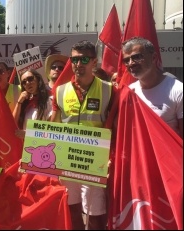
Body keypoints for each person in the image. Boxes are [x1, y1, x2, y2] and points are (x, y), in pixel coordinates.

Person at [50, 40, 113, 230]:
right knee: (72, 207)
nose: (78, 64)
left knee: (95, 211)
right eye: (74, 59)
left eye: (84, 59)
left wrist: (111, 156)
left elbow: (114, 126)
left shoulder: (108, 89)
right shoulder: (59, 91)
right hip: (67, 159)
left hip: (94, 160)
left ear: (94, 62)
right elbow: (54, 125)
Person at [122, 36, 183, 138]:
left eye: (136, 57)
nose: (131, 63)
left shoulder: (178, 90)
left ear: (154, 57)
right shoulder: (129, 91)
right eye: (126, 60)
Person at [13, 69, 52, 139]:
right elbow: (13, 122)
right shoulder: (25, 102)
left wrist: (28, 134)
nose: (27, 83)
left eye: (30, 79)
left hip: (43, 147)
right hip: (27, 146)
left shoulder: (49, 100)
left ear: (38, 79)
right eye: (24, 82)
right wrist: (19, 102)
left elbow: (51, 129)